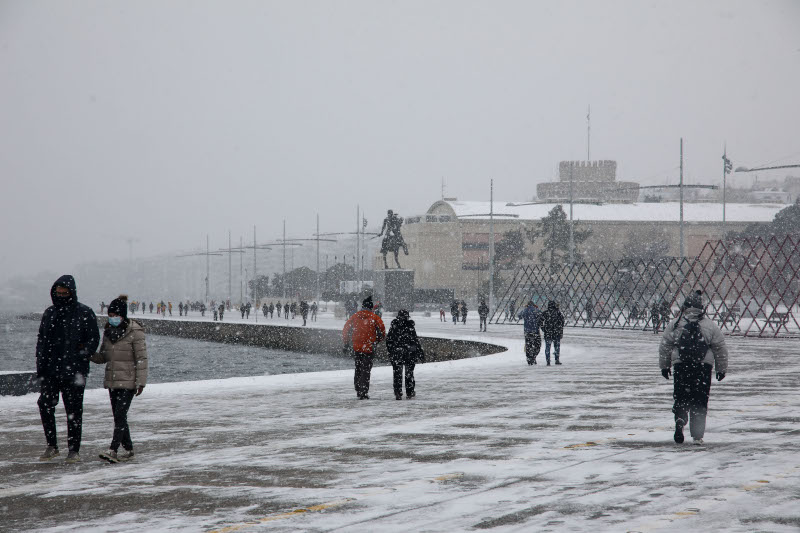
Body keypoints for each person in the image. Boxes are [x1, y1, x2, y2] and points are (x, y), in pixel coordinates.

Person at [36, 275, 101, 463]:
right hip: (50, 370)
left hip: (74, 371)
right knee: (45, 405)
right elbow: (41, 341)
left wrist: (81, 354)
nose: (61, 296)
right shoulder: (49, 313)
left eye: (65, 293)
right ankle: (52, 445)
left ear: (72, 293)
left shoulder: (84, 313)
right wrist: (41, 366)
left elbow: (93, 339)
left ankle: (73, 450)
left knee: (73, 411)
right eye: (59, 293)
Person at [659, 290, 728, 445]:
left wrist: (665, 366)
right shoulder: (709, 325)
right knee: (700, 399)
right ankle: (697, 435)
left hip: (681, 365)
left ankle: (680, 418)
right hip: (702, 367)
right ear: (701, 307)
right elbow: (720, 348)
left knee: (681, 395)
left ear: (685, 306)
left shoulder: (676, 323)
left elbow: (665, 346)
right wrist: (721, 369)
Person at [91, 296, 148, 463]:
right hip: (113, 381)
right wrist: (87, 354)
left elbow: (142, 359)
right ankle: (129, 449)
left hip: (128, 381)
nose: (112, 317)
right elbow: (103, 357)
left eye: (116, 314)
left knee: (120, 414)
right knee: (119, 416)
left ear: (123, 315)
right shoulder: (108, 332)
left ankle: (113, 449)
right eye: (110, 314)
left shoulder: (135, 332)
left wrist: (140, 382)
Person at [342, 296, 386, 400]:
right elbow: (382, 332)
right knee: (366, 370)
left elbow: (345, 331)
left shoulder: (354, 317)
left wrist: (346, 343)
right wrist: (376, 341)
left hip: (357, 347)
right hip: (369, 348)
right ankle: (363, 391)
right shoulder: (375, 318)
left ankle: (358, 389)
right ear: (371, 307)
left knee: (358, 368)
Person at [386, 309, 425, 400]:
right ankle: (410, 392)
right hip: (409, 353)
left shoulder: (394, 326)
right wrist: (420, 353)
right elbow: (415, 341)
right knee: (409, 374)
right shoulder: (410, 326)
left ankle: (398, 392)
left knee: (397, 374)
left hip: (397, 353)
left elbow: (389, 341)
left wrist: (391, 352)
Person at [517, 301, 542, 365]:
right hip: (535, 331)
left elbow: (519, 316)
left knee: (528, 345)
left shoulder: (525, 310)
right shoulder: (536, 310)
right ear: (534, 305)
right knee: (537, 345)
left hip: (527, 331)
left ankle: (529, 358)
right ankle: (533, 357)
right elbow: (542, 316)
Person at [540, 301, 565, 366]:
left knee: (547, 347)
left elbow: (540, 321)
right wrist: (560, 329)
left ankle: (548, 361)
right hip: (556, 333)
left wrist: (543, 329)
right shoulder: (558, 312)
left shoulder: (545, 313)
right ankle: (557, 360)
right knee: (557, 347)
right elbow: (562, 321)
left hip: (548, 333)